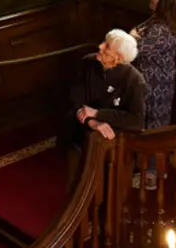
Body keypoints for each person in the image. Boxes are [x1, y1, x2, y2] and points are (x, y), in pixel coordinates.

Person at [58, 29, 146, 190]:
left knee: (107, 185)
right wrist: (92, 121)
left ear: (118, 58)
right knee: (75, 181)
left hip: (112, 144)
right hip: (79, 133)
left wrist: (100, 114)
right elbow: (74, 99)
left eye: (107, 47)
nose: (100, 46)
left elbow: (136, 120)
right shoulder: (87, 63)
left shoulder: (134, 81)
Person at [133, 0, 176, 190]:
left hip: (155, 87)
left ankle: (151, 175)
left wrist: (132, 36)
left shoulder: (159, 29)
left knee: (153, 128)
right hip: (150, 83)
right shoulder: (156, 23)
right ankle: (150, 170)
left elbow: (134, 48)